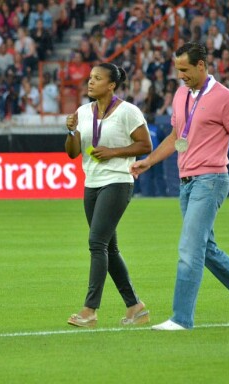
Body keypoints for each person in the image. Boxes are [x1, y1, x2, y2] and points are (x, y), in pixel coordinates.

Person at [130, 42, 229, 330]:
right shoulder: (181, 94)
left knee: (189, 249)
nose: (180, 76)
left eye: (185, 70)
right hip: (187, 183)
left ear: (201, 65)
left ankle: (181, 319)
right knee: (205, 249)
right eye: (177, 70)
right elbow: (176, 136)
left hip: (210, 181)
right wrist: (148, 162)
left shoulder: (225, 98)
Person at [65, 62, 153, 328]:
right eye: (90, 78)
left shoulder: (128, 112)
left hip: (117, 181)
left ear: (111, 85)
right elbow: (72, 152)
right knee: (109, 248)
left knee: (97, 243)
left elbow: (146, 145)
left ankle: (90, 309)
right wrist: (70, 130)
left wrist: (114, 152)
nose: (90, 82)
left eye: (97, 78)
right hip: (91, 183)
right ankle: (136, 307)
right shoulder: (83, 111)